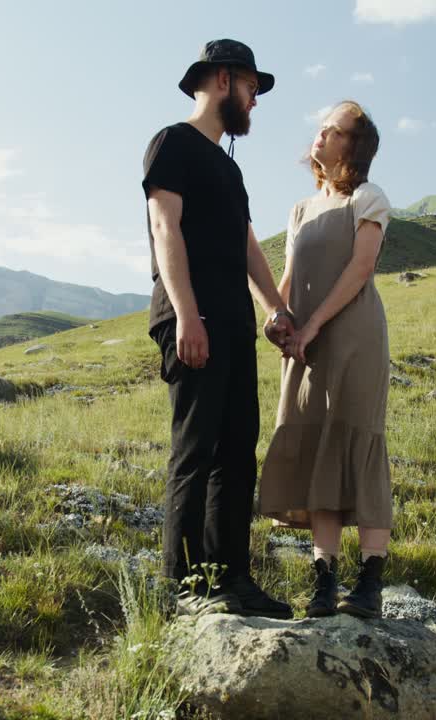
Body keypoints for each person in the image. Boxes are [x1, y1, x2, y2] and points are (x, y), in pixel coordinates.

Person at [143, 39, 295, 618]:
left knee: (237, 450)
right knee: (195, 450)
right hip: (192, 317)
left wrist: (275, 308)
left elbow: (246, 243)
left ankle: (229, 580)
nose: (256, 102)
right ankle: (180, 587)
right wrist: (185, 314)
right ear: (225, 80)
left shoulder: (229, 167)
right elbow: (165, 226)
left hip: (232, 322)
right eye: (254, 89)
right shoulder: (173, 143)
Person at [258, 100, 393, 619]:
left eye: (332, 131)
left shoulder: (368, 198)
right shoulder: (300, 210)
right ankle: (323, 581)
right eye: (320, 129)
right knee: (315, 447)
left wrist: (313, 325)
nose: (320, 136)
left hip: (355, 339)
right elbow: (288, 284)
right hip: (307, 348)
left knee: (358, 441)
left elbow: (361, 269)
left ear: (353, 146)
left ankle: (370, 584)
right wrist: (279, 320)